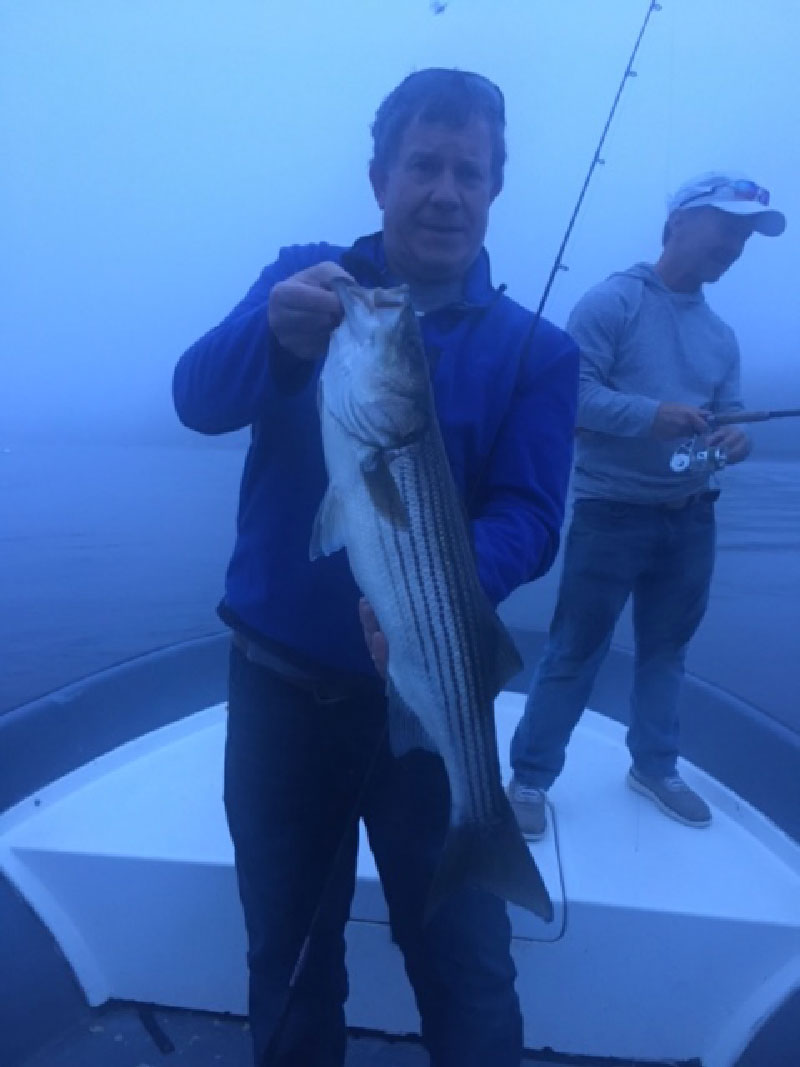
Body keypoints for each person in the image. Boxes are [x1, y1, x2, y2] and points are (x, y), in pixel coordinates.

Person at [173, 68, 578, 1067]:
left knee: (464, 961)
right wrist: (269, 334)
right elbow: (196, 398)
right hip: (278, 692)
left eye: (469, 172)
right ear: (378, 178)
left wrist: (448, 579)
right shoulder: (312, 287)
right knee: (289, 951)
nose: (445, 191)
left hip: (433, 698)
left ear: (493, 190)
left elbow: (529, 513)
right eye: (422, 165)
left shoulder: (539, 351)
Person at [508, 172, 786, 840]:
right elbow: (566, 397)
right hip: (612, 513)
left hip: (693, 516)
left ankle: (654, 767)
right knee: (575, 650)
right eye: (727, 226)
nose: (737, 244)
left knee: (668, 652)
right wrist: (650, 416)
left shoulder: (721, 335)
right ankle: (529, 778)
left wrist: (734, 439)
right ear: (678, 224)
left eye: (746, 234)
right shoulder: (612, 302)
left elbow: (728, 416)